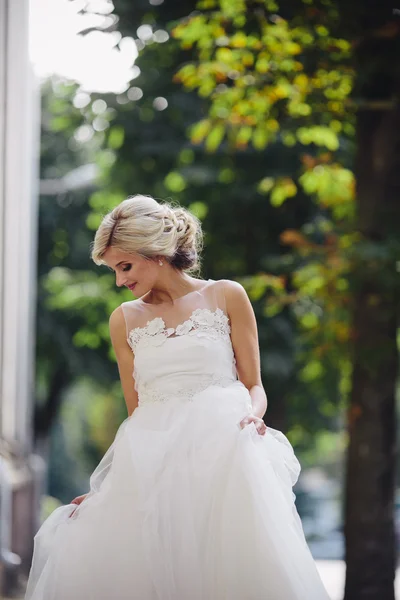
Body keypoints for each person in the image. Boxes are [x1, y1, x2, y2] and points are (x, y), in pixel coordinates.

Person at [25, 195, 330, 600]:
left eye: (125, 266)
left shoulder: (227, 295)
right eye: (114, 270)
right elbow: (136, 414)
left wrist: (254, 416)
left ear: (157, 253)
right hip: (155, 468)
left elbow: (254, 385)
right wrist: (109, 488)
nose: (120, 280)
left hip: (223, 454)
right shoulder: (124, 320)